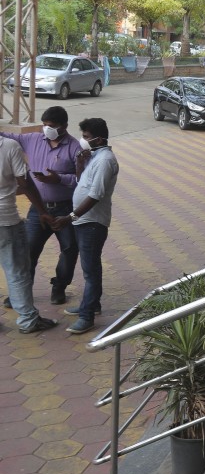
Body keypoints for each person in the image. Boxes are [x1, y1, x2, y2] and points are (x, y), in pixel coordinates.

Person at [0, 106, 81, 308]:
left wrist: (59, 179)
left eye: (51, 126)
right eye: (44, 125)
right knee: (28, 252)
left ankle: (59, 287)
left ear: (64, 126)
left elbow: (83, 179)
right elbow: (5, 136)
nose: (46, 129)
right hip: (38, 209)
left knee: (69, 250)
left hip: (65, 208)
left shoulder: (75, 148)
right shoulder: (32, 139)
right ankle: (21, 293)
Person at [53, 118, 119, 335]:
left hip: (92, 222)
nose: (83, 140)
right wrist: (81, 165)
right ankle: (92, 305)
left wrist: (70, 217)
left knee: (91, 271)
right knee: (89, 268)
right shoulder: (94, 157)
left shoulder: (105, 160)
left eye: (87, 137)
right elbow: (83, 182)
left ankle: (87, 316)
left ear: (99, 138)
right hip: (83, 221)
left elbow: (96, 194)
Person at [0, 135, 59, 334]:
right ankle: (28, 320)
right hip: (5, 222)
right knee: (17, 271)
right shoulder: (9, 146)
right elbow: (25, 184)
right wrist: (42, 210)